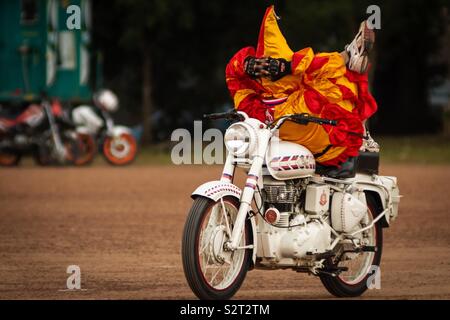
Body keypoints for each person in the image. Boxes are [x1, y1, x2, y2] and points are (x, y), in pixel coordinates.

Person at [226, 6, 379, 167]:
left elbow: (313, 68)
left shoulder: (297, 99)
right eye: (263, 69)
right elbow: (233, 76)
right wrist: (246, 64)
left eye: (273, 70)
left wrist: (286, 66)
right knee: (321, 78)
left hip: (325, 151)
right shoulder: (255, 106)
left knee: (327, 83)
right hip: (296, 152)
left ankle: (350, 54)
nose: (268, 74)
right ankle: (349, 54)